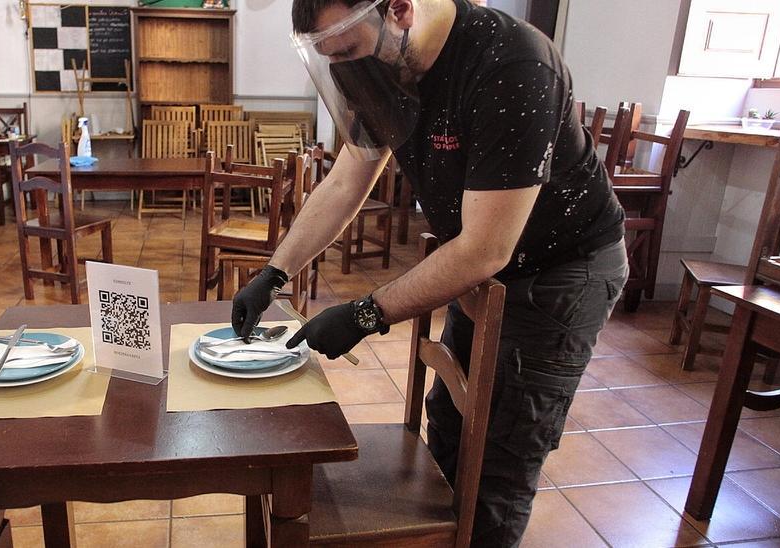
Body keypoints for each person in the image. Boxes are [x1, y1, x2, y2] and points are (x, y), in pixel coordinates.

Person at [230, 0, 628, 545]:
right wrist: (274, 272)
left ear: (399, 9)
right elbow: (348, 179)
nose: (345, 67)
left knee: (499, 460)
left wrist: (366, 313)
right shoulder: (381, 63)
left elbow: (485, 249)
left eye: (347, 50)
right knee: (449, 424)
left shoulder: (512, 65)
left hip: (560, 272)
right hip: (480, 265)